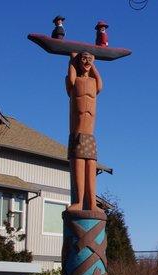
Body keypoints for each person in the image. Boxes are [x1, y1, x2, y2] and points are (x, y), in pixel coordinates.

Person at [66, 52, 102, 211]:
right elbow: (71, 78)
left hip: (90, 135)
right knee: (79, 167)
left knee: (91, 168)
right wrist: (72, 59)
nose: (86, 62)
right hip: (77, 134)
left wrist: (91, 61)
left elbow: (100, 82)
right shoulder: (74, 82)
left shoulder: (94, 83)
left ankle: (92, 203)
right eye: (83, 59)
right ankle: (79, 201)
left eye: (89, 59)